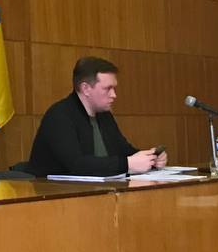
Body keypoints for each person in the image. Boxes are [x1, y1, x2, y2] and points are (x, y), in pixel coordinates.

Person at [27, 56, 166, 177]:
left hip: (97, 190)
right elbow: (77, 164)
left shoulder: (104, 115)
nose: (114, 95)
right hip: (58, 194)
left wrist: (150, 159)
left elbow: (124, 151)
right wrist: (127, 164)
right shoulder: (59, 116)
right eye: (107, 88)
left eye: (114, 88)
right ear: (86, 89)